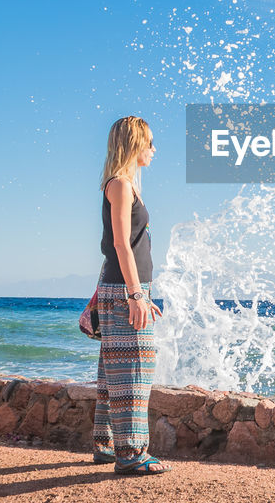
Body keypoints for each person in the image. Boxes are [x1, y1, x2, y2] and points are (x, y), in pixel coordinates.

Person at [92, 116, 169, 474]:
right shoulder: (120, 185)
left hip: (124, 287)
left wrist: (133, 292)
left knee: (114, 371)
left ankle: (106, 444)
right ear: (134, 143)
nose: (154, 149)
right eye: (149, 142)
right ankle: (130, 454)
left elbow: (115, 249)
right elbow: (120, 245)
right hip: (126, 290)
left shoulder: (125, 186)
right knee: (135, 369)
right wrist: (136, 294)